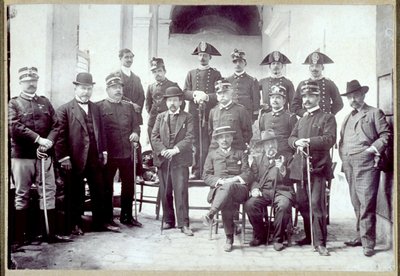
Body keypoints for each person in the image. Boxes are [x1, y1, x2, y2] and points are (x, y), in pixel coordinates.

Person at [9, 66, 72, 249]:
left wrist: (49, 142)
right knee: (22, 193)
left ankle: (49, 233)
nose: (31, 84)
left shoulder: (44, 102)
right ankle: (20, 237)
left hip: (45, 154)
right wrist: (38, 140)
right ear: (20, 82)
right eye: (27, 81)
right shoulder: (13, 103)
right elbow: (14, 126)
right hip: (23, 156)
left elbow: (56, 124)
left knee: (48, 191)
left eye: (34, 80)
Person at [55, 72, 119, 235]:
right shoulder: (64, 110)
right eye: (83, 88)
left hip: (94, 158)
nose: (86, 92)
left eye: (89, 89)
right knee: (75, 192)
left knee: (99, 190)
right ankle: (74, 224)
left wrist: (104, 151)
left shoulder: (96, 108)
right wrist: (64, 158)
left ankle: (100, 223)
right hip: (74, 159)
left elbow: (102, 132)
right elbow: (60, 136)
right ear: (76, 88)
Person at [338, 80, 391, 257]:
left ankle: (369, 243)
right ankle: (361, 236)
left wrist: (372, 150)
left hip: (366, 163)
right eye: (350, 97)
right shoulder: (347, 117)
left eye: (356, 95)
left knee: (367, 202)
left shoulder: (374, 113)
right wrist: (344, 157)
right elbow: (342, 140)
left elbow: (386, 135)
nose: (353, 99)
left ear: (363, 95)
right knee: (356, 202)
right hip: (349, 163)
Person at [288, 80, 336, 256]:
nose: (306, 100)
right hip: (301, 169)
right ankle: (309, 237)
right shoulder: (301, 120)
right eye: (304, 96)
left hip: (318, 168)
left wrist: (308, 142)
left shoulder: (327, 117)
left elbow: (330, 139)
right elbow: (291, 138)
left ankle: (321, 242)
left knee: (317, 204)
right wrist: (295, 142)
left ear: (318, 97)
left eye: (310, 96)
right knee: (302, 204)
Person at [97, 72, 142, 228]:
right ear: (107, 89)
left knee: (129, 186)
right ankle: (107, 218)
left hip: (127, 153)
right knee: (107, 186)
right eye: (114, 87)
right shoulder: (99, 107)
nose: (118, 90)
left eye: (120, 87)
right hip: (109, 154)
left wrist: (136, 133)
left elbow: (136, 125)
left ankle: (127, 216)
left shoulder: (129, 107)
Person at [151, 87, 194, 236]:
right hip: (164, 160)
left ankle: (183, 223)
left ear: (181, 102)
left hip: (180, 160)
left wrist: (175, 150)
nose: (172, 103)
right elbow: (154, 136)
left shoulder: (188, 117)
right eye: (169, 100)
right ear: (166, 102)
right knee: (165, 191)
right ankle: (169, 220)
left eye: (175, 100)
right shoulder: (160, 117)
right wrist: (163, 151)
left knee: (181, 191)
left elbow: (189, 137)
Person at [202, 126, 253, 252]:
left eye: (227, 136)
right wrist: (219, 181)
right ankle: (229, 238)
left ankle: (211, 213)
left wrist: (233, 180)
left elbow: (248, 173)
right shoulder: (212, 155)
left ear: (231, 138)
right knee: (227, 201)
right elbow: (206, 175)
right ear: (217, 140)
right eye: (221, 137)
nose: (224, 139)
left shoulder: (240, 153)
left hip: (239, 189)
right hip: (220, 190)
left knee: (229, 186)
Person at [244, 129, 295, 251]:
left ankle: (278, 238)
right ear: (263, 146)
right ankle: (260, 234)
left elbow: (293, 178)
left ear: (277, 144)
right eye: (267, 144)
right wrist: (255, 188)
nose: (271, 146)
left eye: (273, 143)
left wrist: (283, 170)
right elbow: (253, 178)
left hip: (282, 191)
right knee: (250, 205)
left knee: (283, 205)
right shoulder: (257, 160)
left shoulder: (286, 157)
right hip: (264, 191)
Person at [183, 41, 222, 179]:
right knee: (194, 142)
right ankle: (195, 170)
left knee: (209, 141)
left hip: (210, 113)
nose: (202, 58)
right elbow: (184, 92)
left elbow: (219, 94)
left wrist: (207, 96)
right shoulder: (191, 73)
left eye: (205, 55)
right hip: (194, 113)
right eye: (200, 55)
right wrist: (194, 94)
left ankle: (207, 171)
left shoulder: (216, 74)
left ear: (210, 57)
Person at [118, 48, 145, 180]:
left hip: (134, 115)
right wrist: (131, 104)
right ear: (120, 59)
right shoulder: (116, 75)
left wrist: (137, 107)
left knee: (135, 142)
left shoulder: (136, 78)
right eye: (126, 57)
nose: (129, 60)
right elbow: (117, 94)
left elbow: (142, 95)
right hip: (120, 114)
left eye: (131, 57)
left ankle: (137, 172)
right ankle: (121, 173)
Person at [291, 51, 343, 117]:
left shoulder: (329, 83)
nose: (314, 69)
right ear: (309, 68)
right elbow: (294, 105)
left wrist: (328, 114)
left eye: (317, 66)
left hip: (325, 121)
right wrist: (304, 113)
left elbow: (339, 103)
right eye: (312, 66)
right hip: (308, 120)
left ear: (322, 68)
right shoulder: (302, 84)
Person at [145, 57, 183, 141]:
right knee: (155, 145)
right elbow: (148, 104)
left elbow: (182, 103)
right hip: (153, 122)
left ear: (164, 71)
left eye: (159, 71)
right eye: (154, 72)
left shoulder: (173, 85)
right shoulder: (151, 87)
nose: (157, 74)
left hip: (169, 122)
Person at [208, 79, 252, 151]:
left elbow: (247, 132)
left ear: (231, 92)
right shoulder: (213, 111)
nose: (222, 95)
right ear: (216, 94)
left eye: (225, 92)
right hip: (216, 151)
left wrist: (241, 146)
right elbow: (210, 132)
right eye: (219, 93)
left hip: (235, 149)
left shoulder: (240, 110)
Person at [259, 84, 297, 159]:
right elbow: (262, 135)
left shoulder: (290, 117)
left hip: (285, 155)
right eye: (272, 98)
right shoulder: (264, 117)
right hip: (268, 154)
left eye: (278, 98)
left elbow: (294, 137)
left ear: (284, 101)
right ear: (270, 100)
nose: (275, 100)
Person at [226, 49, 260, 122]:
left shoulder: (252, 80)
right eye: (235, 62)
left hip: (247, 113)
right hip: (231, 113)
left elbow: (256, 99)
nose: (237, 64)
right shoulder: (227, 80)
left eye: (240, 62)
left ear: (245, 63)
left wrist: (254, 115)